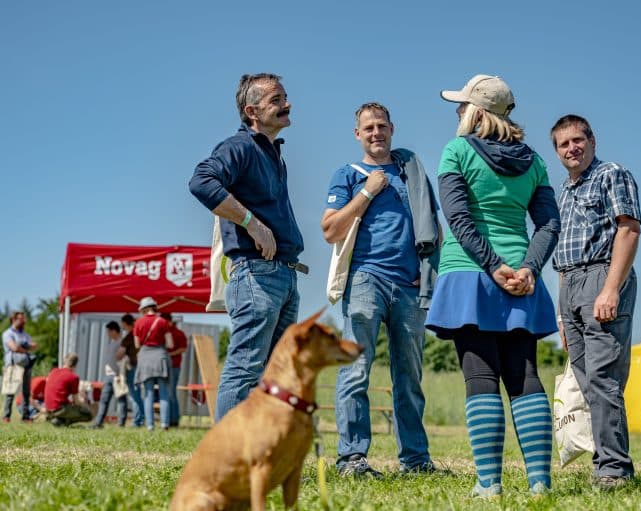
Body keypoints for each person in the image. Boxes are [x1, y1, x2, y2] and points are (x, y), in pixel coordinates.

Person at [425, 75, 561, 497]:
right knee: (524, 375)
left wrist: (491, 266)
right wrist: (528, 268)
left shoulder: (457, 150)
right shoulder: (535, 162)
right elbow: (549, 223)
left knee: (480, 375)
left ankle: (489, 484)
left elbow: (457, 218)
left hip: (470, 273)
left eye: (463, 104)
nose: (457, 111)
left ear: (477, 112)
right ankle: (540, 483)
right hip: (521, 276)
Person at [321, 102, 441, 477]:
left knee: (410, 378)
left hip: (409, 286)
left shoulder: (412, 175)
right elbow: (330, 230)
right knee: (356, 371)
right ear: (358, 134)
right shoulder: (348, 175)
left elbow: (434, 228)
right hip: (364, 280)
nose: (376, 133)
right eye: (368, 128)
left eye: (381, 126)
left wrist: (429, 270)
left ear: (392, 129)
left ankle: (416, 460)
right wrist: (368, 193)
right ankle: (352, 459)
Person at [189, 73, 305, 423]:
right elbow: (201, 181)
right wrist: (250, 223)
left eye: (285, 97)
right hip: (257, 275)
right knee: (245, 368)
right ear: (251, 111)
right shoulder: (239, 147)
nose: (287, 104)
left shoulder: (272, 154)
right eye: (277, 100)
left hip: (283, 276)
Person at [550, 114, 641, 489]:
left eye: (578, 140)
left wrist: (611, 288)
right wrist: (560, 314)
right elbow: (560, 249)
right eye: (563, 144)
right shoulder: (565, 190)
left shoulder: (611, 174)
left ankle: (614, 470)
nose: (572, 148)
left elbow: (629, 228)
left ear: (592, 140)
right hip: (568, 283)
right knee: (587, 380)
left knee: (604, 378)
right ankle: (605, 461)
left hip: (600, 276)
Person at [132, 297, 173, 431]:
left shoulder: (138, 323)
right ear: (154, 307)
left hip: (145, 358)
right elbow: (170, 344)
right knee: (163, 393)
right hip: (160, 357)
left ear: (143, 309)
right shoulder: (162, 322)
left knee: (148, 393)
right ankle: (164, 424)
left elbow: (137, 344)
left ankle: (150, 425)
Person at [91, 321, 128, 428]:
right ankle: (98, 422)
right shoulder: (112, 342)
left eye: (109, 331)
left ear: (114, 331)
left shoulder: (121, 343)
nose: (107, 333)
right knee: (104, 400)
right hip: (108, 375)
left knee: (121, 399)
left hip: (117, 375)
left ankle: (121, 423)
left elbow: (121, 359)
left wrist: (119, 374)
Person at [3, 311, 38, 422]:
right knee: (11, 390)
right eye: (21, 319)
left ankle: (26, 416)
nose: (24, 321)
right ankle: (6, 416)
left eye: (24, 319)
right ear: (14, 320)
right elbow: (13, 348)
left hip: (26, 365)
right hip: (14, 364)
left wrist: (23, 347)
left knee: (26, 392)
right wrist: (25, 348)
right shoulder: (8, 333)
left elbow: (34, 346)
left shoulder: (24, 334)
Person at [45, 353, 92, 427]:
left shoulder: (53, 371)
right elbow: (76, 401)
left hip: (47, 408)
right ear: (76, 365)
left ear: (64, 361)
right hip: (59, 409)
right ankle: (61, 421)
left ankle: (54, 418)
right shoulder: (73, 377)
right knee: (88, 415)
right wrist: (86, 406)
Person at [161, 313, 188, 427]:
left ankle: (174, 420)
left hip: (173, 366)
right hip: (165, 366)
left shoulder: (178, 333)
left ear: (169, 321)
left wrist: (170, 354)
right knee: (168, 393)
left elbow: (183, 348)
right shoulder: (164, 333)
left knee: (171, 393)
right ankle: (169, 419)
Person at [120, 313, 144, 427]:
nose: (122, 326)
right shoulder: (138, 334)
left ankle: (138, 420)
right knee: (137, 394)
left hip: (134, 367)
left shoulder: (130, 336)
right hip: (140, 367)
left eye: (122, 324)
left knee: (135, 395)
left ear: (125, 323)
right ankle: (140, 419)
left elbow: (120, 353)